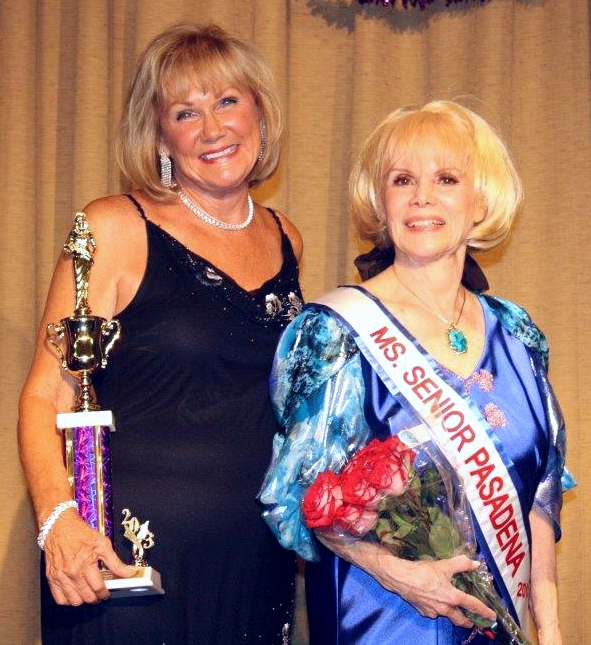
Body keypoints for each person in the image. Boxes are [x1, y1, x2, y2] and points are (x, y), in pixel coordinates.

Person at [18, 23, 303, 644]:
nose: (212, 128)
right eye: (185, 111)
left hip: (256, 560)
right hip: (126, 568)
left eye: (228, 100)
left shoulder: (287, 237)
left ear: (259, 110)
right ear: (160, 135)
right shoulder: (113, 226)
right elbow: (46, 396)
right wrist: (58, 523)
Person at [259, 100, 573, 645]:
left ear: (480, 201)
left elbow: (539, 497)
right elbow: (299, 495)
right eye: (402, 179)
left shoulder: (518, 334)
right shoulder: (335, 333)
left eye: (446, 178)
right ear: (381, 203)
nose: (422, 196)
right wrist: (402, 575)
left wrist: (550, 628)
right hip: (382, 620)